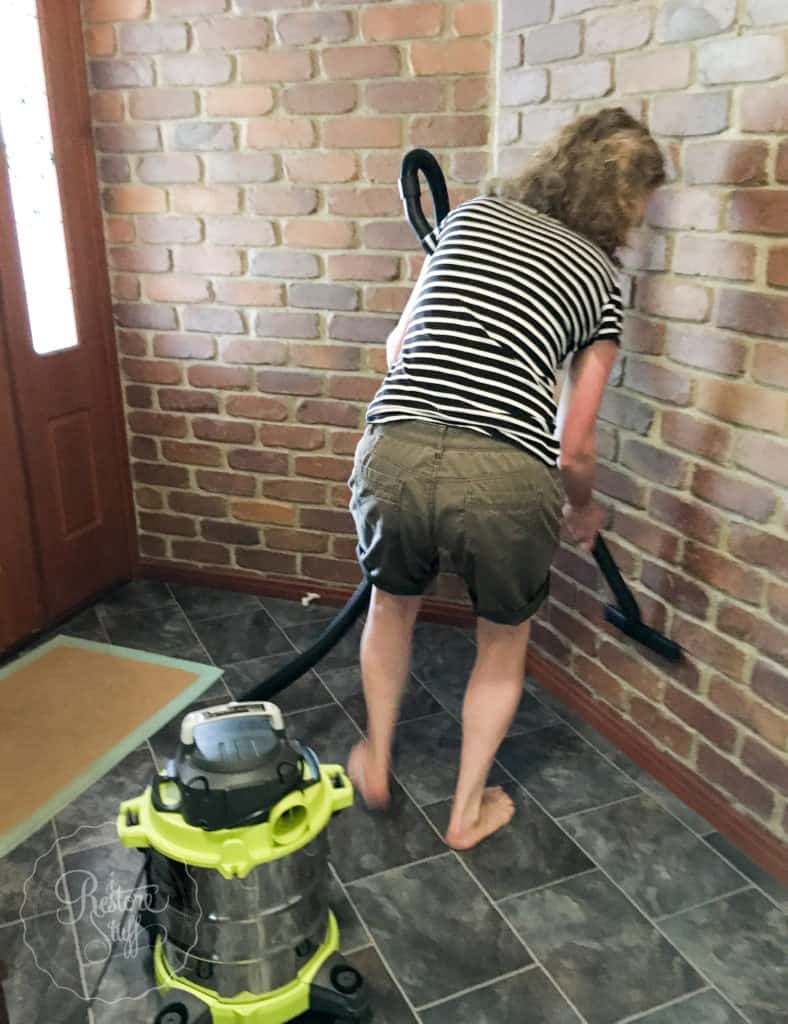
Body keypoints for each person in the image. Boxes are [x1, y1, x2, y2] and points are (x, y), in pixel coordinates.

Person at [347, 107, 665, 850]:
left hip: (394, 446)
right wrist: (583, 510)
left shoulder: (467, 219)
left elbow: (396, 348)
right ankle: (465, 812)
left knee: (391, 606)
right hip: (506, 473)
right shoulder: (601, 281)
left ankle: (377, 760)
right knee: (502, 639)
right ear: (625, 204)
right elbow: (574, 445)